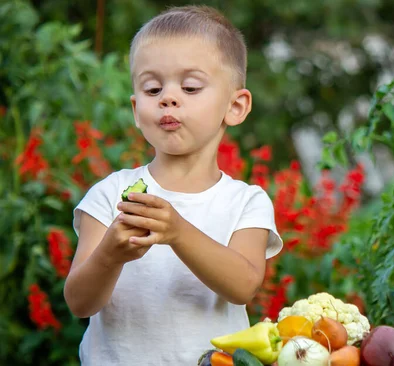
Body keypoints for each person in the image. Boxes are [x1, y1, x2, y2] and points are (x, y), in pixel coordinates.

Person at [63, 5, 283, 365]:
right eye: (152, 88)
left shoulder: (245, 202)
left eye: (190, 86)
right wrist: (110, 254)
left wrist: (177, 231)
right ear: (137, 110)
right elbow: (79, 302)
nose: (168, 96)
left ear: (236, 106)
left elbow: (243, 285)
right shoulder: (109, 195)